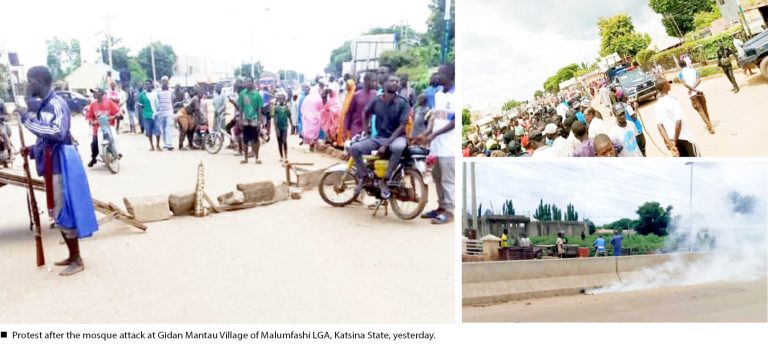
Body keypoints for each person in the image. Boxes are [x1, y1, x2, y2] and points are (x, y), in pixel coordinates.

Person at [19, 66, 98, 276]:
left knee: (64, 208)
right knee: (56, 208)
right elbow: (44, 137)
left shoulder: (57, 104)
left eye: (30, 80)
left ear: (40, 81)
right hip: (49, 160)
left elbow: (57, 132)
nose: (28, 85)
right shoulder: (44, 106)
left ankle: (77, 259)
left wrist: (27, 120)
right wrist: (32, 150)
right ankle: (72, 256)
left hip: (61, 162)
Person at [349, 74, 409, 200]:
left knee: (398, 148)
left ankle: (386, 180)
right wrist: (366, 131)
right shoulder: (376, 100)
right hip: (379, 137)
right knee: (354, 148)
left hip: (397, 137)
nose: (395, 83)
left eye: (397, 81)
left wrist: (386, 144)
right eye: (392, 80)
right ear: (384, 84)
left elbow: (403, 126)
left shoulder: (403, 102)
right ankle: (364, 176)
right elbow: (365, 112)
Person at [417, 64, 456, 225]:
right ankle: (441, 207)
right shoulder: (439, 94)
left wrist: (433, 135)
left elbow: (454, 122)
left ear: (451, 76)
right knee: (437, 178)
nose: (437, 76)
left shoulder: (456, 96)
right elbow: (435, 119)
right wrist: (426, 134)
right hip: (436, 147)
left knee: (448, 180)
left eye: (440, 73)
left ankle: (449, 211)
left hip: (449, 148)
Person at [655, 78, 699, 157]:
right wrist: (674, 142)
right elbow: (678, 121)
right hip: (685, 138)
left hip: (672, 139)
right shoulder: (672, 100)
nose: (670, 84)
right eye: (668, 83)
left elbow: (659, 126)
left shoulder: (657, 105)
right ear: (665, 86)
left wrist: (670, 144)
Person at [85, 87, 121, 167]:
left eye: (96, 92)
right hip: (97, 128)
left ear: (101, 93)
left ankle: (116, 152)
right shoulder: (93, 105)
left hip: (109, 126)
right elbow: (89, 116)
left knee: (114, 138)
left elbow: (117, 112)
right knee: (94, 143)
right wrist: (91, 121)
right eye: (93, 92)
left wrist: (116, 116)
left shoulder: (109, 102)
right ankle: (93, 158)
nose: (94, 94)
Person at [678, 60, 715, 134]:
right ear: (686, 64)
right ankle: (709, 124)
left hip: (692, 94)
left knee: (700, 110)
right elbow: (699, 80)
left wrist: (692, 90)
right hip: (700, 91)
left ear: (680, 66)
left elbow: (685, 84)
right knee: (705, 109)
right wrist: (695, 89)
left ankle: (709, 127)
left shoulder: (680, 74)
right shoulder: (693, 71)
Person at [344, 72, 378, 140]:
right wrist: (345, 130)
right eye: (373, 81)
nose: (375, 83)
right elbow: (349, 113)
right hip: (356, 129)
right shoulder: (357, 95)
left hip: (370, 130)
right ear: (366, 81)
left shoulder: (376, 94)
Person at [238, 77, 263, 164]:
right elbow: (240, 108)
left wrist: (260, 121)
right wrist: (240, 120)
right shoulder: (242, 94)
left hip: (254, 119)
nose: (247, 83)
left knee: (255, 139)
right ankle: (245, 158)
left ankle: (257, 157)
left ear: (253, 83)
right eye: (246, 82)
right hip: (245, 120)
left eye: (249, 81)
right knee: (245, 139)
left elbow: (260, 109)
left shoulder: (257, 94)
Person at [137, 80, 161, 151]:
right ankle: (152, 146)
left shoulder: (156, 93)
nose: (146, 86)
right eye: (145, 84)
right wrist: (142, 115)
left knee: (158, 131)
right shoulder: (141, 95)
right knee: (149, 132)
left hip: (155, 115)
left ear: (151, 85)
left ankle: (158, 145)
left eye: (148, 84)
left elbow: (158, 104)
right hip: (146, 116)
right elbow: (140, 106)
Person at [156, 77, 175, 150]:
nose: (164, 82)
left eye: (166, 81)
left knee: (168, 127)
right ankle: (165, 143)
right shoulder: (158, 91)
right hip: (161, 112)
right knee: (163, 128)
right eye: (163, 81)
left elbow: (173, 100)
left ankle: (169, 144)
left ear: (168, 82)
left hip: (169, 111)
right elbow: (156, 101)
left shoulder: (171, 91)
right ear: (161, 82)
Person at [273, 93, 292, 163]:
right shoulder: (276, 108)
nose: (281, 100)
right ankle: (281, 156)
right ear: (278, 100)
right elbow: (275, 118)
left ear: (284, 100)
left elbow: (289, 116)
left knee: (284, 140)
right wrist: (276, 128)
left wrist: (292, 125)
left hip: (285, 127)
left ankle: (286, 156)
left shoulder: (286, 108)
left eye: (282, 99)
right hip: (278, 127)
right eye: (280, 99)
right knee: (279, 142)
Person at [337, 76, 356, 145]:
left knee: (347, 129)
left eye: (348, 85)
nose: (346, 87)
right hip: (343, 114)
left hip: (348, 115)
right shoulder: (347, 94)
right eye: (346, 85)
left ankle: (346, 142)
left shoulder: (354, 95)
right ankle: (341, 142)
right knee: (342, 127)